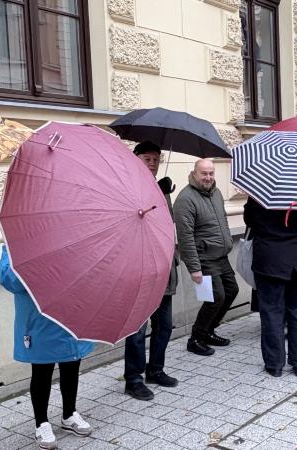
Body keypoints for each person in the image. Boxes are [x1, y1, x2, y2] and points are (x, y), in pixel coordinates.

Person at [0, 247, 93, 449]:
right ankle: (41, 423)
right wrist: (35, 264)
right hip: (39, 317)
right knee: (42, 370)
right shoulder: (17, 241)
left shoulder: (70, 236)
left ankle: (69, 414)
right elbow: (8, 279)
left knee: (71, 365)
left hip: (69, 313)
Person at [244, 198, 297, 377]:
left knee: (271, 313)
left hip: (270, 260)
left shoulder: (261, 191)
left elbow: (249, 220)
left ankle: (274, 365)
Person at [123, 142, 179, 401]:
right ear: (136, 160)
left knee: (164, 325)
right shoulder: (127, 188)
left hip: (164, 266)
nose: (153, 163)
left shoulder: (163, 188)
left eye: (156, 159)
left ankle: (155, 369)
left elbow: (167, 227)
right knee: (137, 329)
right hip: (141, 269)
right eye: (147, 158)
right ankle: (133, 378)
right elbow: (129, 222)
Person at [173, 159, 238, 356]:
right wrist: (194, 268)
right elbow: (185, 237)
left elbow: (223, 221)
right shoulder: (185, 199)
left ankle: (209, 330)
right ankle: (195, 338)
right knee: (215, 297)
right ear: (194, 173)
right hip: (204, 258)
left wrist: (227, 241)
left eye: (211, 173)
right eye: (204, 173)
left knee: (232, 291)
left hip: (221, 256)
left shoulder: (216, 193)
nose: (208, 177)